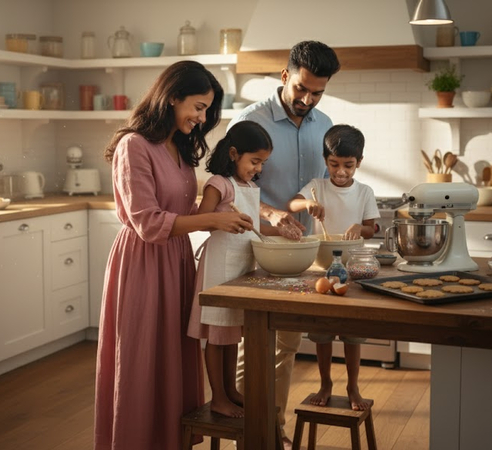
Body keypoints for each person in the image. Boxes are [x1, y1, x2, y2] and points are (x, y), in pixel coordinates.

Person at [94, 60, 255, 450]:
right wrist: (211, 221)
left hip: (176, 260)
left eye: (206, 111)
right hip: (143, 264)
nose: (201, 119)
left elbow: (185, 213)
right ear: (171, 98)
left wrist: (222, 213)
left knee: (172, 356)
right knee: (142, 359)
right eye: (198, 107)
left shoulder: (180, 149)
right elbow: (148, 222)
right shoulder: (134, 145)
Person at [228, 40, 341, 449]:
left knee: (286, 347)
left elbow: (323, 186)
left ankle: (270, 432)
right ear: (284, 76)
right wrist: (271, 213)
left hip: (301, 252)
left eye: (317, 92)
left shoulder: (325, 123)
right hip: (255, 246)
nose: (307, 99)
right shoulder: (249, 120)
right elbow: (230, 187)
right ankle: (252, 434)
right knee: (253, 346)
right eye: (301, 89)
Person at [287, 124, 379, 410]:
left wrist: (359, 229)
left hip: (353, 271)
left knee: (351, 333)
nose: (340, 171)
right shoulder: (317, 187)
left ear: (359, 163)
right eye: (334, 164)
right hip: (320, 270)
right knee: (322, 332)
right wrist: (307, 205)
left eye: (348, 165)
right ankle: (325, 383)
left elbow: (373, 227)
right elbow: (292, 204)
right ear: (325, 160)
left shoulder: (364, 192)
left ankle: (353, 386)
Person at [187, 121, 275, 418]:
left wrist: (278, 230)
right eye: (255, 161)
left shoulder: (249, 186)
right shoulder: (219, 184)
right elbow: (202, 219)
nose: (258, 169)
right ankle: (219, 398)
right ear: (235, 153)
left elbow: (253, 224)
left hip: (240, 267)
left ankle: (231, 390)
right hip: (219, 269)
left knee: (231, 335)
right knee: (217, 335)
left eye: (263, 163)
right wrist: (223, 220)